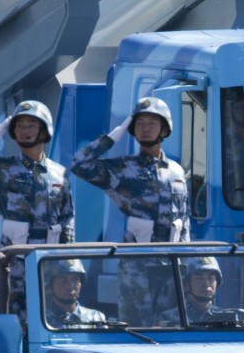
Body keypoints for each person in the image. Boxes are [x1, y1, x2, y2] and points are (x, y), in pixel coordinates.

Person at [70, 96, 190, 325]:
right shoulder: (123, 169)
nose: (145, 128)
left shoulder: (176, 170)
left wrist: (190, 259)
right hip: (139, 265)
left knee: (172, 323)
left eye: (152, 123)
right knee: (137, 325)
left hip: (173, 263)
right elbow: (79, 165)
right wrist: (115, 134)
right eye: (140, 123)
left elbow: (184, 219)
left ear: (164, 128)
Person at [0, 101, 74, 316]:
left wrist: (67, 264)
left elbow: (67, 220)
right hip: (14, 260)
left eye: (31, 125)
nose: (24, 131)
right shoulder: (2, 170)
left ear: (44, 131)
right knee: (11, 318)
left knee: (50, 316)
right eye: (19, 126)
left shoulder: (59, 173)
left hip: (48, 260)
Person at [156, 256, 222, 325]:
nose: (206, 284)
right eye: (199, 278)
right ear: (185, 285)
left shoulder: (226, 318)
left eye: (210, 278)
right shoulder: (168, 318)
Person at [43, 258, 106, 327]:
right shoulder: (41, 319)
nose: (70, 285)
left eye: (75, 279)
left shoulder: (95, 317)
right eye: (62, 280)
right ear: (50, 285)